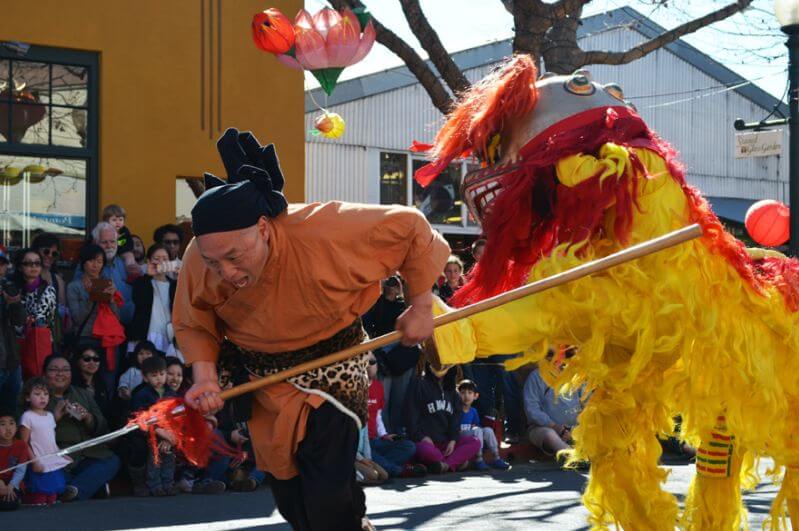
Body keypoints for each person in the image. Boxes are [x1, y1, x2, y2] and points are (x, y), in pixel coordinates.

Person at [175, 128, 448, 531]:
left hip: (332, 370)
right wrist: (204, 376)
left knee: (326, 498)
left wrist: (421, 304)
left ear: (264, 228)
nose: (226, 273)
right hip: (264, 381)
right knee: (293, 501)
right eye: (215, 264)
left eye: (234, 257)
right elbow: (193, 319)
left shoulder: (326, 228)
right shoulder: (200, 258)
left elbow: (411, 227)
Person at [43, 354, 121, 501]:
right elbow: (31, 434)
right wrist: (54, 417)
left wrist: (88, 417)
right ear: (44, 374)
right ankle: (87, 489)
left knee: (112, 461)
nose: (60, 374)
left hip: (90, 454)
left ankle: (75, 490)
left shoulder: (82, 393)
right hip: (60, 457)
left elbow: (103, 427)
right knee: (50, 474)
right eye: (54, 369)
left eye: (66, 370)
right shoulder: (38, 397)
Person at [362, 276, 419, 435]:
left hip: (403, 357)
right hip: (383, 358)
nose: (392, 283)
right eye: (388, 280)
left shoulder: (405, 304)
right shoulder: (374, 304)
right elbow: (365, 328)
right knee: (384, 401)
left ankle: (397, 433)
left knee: (399, 400)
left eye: (396, 281)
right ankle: (385, 434)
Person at [67, 243, 125, 391]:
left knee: (108, 382)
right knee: (83, 381)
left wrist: (111, 299)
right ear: (83, 262)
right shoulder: (74, 287)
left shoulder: (108, 284)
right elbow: (77, 319)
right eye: (91, 260)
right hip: (87, 337)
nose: (95, 265)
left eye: (99, 261)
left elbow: (117, 317)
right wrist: (91, 298)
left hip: (109, 339)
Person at [404, 363, 481, 474]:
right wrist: (421, 437)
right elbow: (411, 415)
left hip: (446, 444)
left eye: (445, 366)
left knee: (475, 442)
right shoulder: (419, 384)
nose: (441, 368)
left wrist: (453, 440)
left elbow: (455, 420)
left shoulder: (453, 392)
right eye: (437, 365)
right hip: (427, 443)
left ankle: (444, 465)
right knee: (424, 450)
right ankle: (453, 463)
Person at [18, 376, 73, 505]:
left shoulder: (49, 416)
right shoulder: (27, 416)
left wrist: (62, 455)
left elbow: (51, 440)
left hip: (51, 458)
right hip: (38, 459)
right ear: (27, 397)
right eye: (37, 394)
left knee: (52, 497)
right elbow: (23, 443)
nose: (42, 397)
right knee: (39, 497)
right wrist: (34, 461)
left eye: (46, 394)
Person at [365, 352, 420, 478]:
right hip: (360, 443)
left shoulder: (378, 387)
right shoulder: (354, 386)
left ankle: (381, 465)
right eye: (367, 362)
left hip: (376, 440)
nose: (370, 366)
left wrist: (384, 435)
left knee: (409, 446)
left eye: (373, 362)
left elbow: (378, 416)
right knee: (367, 453)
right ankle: (397, 470)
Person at [130, 356, 178, 496]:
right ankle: (155, 485)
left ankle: (168, 483)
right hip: (151, 433)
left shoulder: (171, 393)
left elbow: (176, 416)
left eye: (162, 374)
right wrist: (160, 432)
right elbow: (142, 417)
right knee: (155, 458)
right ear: (145, 377)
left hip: (169, 433)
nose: (159, 379)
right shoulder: (142, 395)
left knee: (169, 458)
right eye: (154, 375)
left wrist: (169, 436)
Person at [523, 349, 583, 460]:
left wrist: (574, 429)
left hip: (573, 428)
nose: (555, 358)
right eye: (550, 355)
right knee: (549, 435)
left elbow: (586, 403)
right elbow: (532, 410)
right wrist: (557, 427)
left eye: (560, 355)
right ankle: (573, 458)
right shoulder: (535, 377)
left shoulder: (576, 376)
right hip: (543, 428)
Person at [73, 222, 134, 324]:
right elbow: (79, 297)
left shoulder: (125, 264)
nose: (109, 246)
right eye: (104, 242)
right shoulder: (86, 266)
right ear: (96, 243)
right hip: (98, 330)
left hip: (126, 328)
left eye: (112, 241)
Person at [12, 248, 57, 378]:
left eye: (37, 263)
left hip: (37, 342)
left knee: (36, 381)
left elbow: (39, 318)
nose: (33, 267)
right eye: (28, 263)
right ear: (20, 267)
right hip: (14, 346)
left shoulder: (48, 290)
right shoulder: (14, 288)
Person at [129, 245, 178, 357]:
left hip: (168, 336)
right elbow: (139, 302)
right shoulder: (141, 282)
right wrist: (148, 276)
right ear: (149, 261)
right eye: (156, 259)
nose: (161, 262)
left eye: (165, 259)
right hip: (145, 334)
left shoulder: (176, 285)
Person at [457, 379, 509, 471]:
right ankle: (479, 459)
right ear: (458, 395)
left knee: (488, 430)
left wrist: (476, 428)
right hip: (460, 435)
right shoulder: (456, 410)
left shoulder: (473, 411)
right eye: (463, 393)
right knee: (477, 430)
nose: (466, 396)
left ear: (475, 396)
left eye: (470, 393)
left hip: (471, 434)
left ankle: (496, 457)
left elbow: (476, 425)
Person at [0, 251, 25, 414]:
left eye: (2, 264)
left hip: (10, 361)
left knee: (11, 414)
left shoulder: (7, 286)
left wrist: (14, 303)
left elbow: (19, 321)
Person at [31, 233, 67, 341]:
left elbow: (63, 312)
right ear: (37, 251)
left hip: (50, 337)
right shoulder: (26, 275)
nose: (50, 256)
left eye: (54, 254)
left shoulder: (58, 280)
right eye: (46, 251)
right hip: (28, 335)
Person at [70, 346, 114, 425]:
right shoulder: (71, 385)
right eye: (87, 359)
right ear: (78, 361)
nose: (92, 362)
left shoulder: (101, 384)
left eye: (96, 359)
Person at [0, 408, 28, 511]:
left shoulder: (21, 445)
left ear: (16, 427)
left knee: (10, 504)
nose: (8, 428)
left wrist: (11, 486)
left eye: (11, 424)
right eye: (2, 424)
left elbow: (21, 470)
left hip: (13, 483)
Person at [102, 204, 138, 277]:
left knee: (129, 256)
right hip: (106, 252)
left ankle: (132, 274)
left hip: (122, 250)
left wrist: (119, 245)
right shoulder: (102, 231)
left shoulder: (124, 231)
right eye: (114, 220)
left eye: (120, 220)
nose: (118, 222)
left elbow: (128, 242)